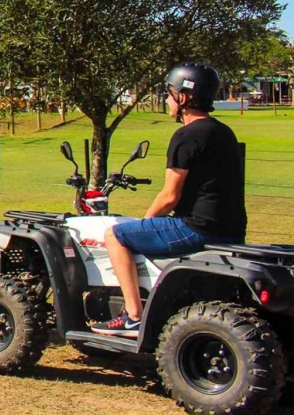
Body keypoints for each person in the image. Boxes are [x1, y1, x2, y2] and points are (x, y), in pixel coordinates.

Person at [91, 63, 246, 336]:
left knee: (115, 235)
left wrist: (147, 221)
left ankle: (133, 315)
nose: (166, 99)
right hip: (231, 229)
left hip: (196, 229)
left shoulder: (186, 136)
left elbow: (170, 196)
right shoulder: (224, 132)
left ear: (183, 98)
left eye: (169, 93)